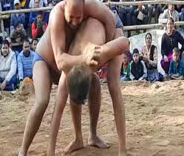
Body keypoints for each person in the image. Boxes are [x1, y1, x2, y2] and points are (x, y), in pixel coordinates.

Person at [20, 0, 127, 156]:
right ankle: (23, 150)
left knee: (103, 83)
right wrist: (50, 152)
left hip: (87, 51)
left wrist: (102, 55)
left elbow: (115, 27)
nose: (75, 22)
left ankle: (92, 137)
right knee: (42, 101)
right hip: (46, 60)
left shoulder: (91, 7)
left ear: (84, 11)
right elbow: (61, 61)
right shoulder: (56, 15)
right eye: (71, 18)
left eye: (79, 18)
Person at [47, 17, 129, 156]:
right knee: (94, 82)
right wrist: (50, 152)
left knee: (113, 85)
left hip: (112, 28)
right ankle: (78, 138)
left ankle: (121, 148)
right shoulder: (68, 66)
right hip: (87, 27)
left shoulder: (100, 54)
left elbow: (125, 42)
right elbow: (58, 108)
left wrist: (123, 151)